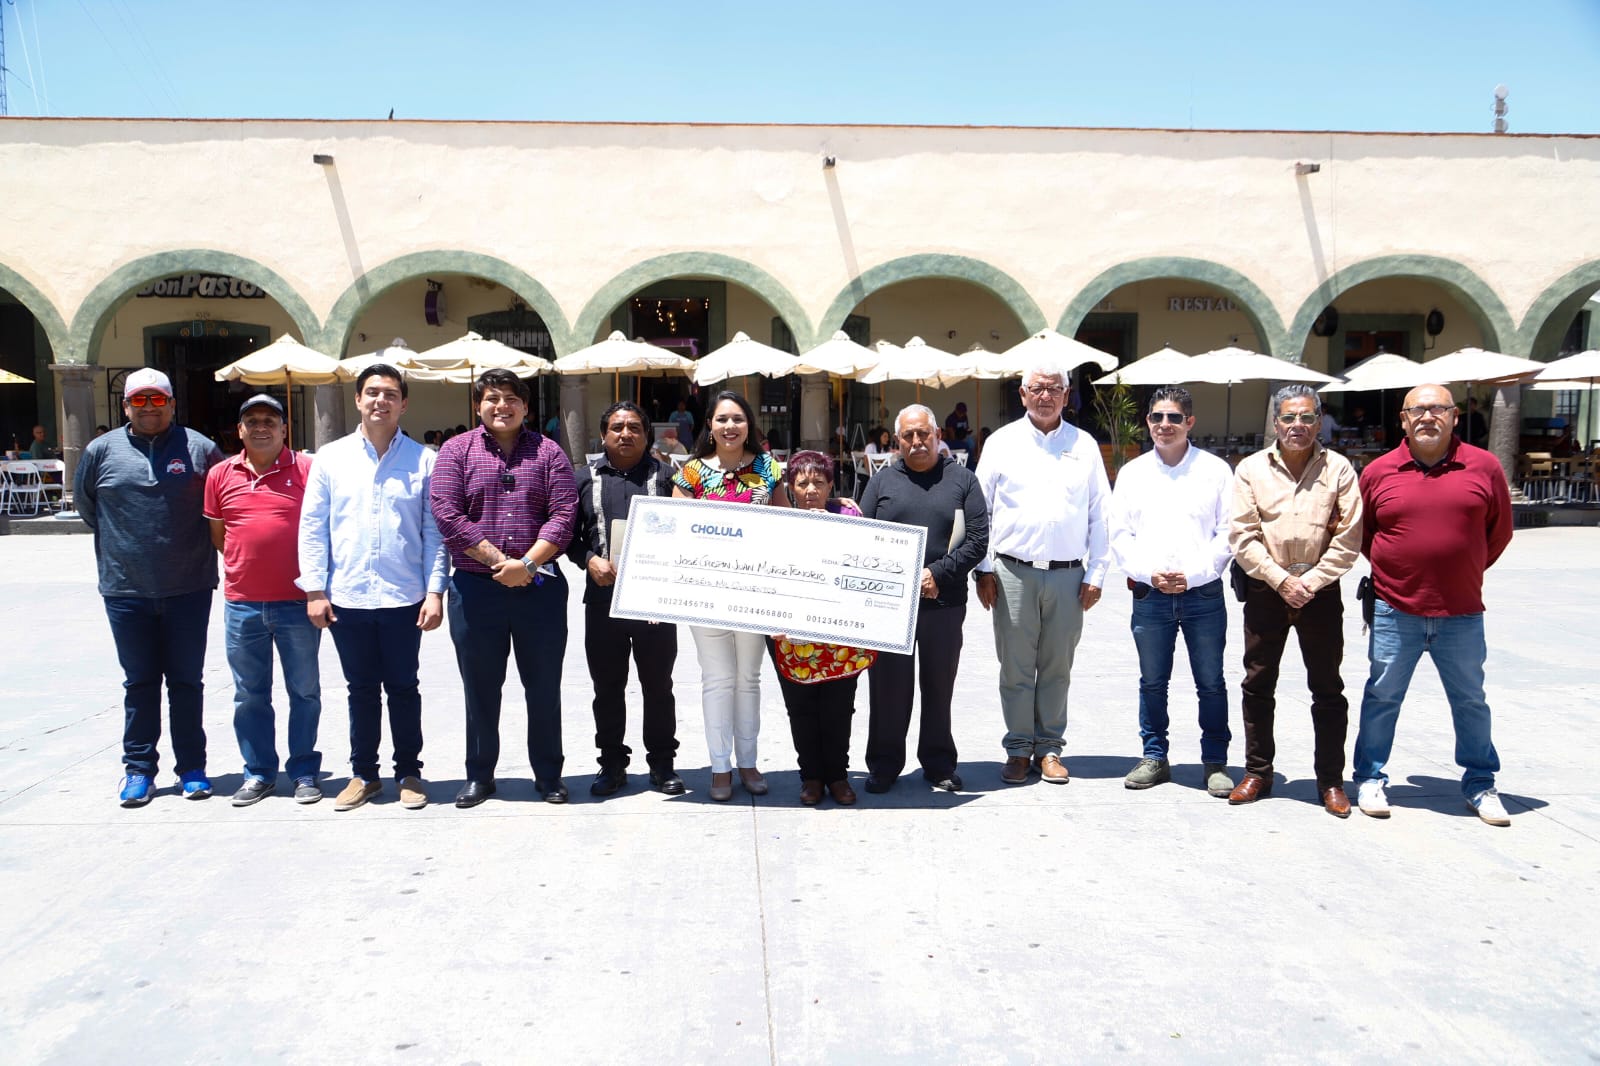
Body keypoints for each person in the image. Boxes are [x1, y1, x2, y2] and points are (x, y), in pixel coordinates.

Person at [1352, 384, 1514, 826]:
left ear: (1454, 416)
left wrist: (1463, 566)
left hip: (1462, 611)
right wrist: (1402, 567)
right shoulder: (1379, 471)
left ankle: (1480, 783)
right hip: (1394, 608)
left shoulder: (1484, 466)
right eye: (1418, 410)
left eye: (1438, 408)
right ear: (1403, 420)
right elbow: (1365, 535)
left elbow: (1499, 533)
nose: (1428, 417)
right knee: (1382, 696)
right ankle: (1369, 778)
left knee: (1471, 701)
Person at [298, 363, 448, 812]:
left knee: (403, 687)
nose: (380, 400)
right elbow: (313, 528)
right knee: (360, 689)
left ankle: (409, 773)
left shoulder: (424, 460)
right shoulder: (330, 459)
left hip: (404, 597)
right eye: (372, 392)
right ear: (358, 400)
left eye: (390, 394)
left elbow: (434, 533)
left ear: (404, 404)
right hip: (348, 596)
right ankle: (364, 774)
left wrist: (435, 591)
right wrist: (314, 590)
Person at [74, 368, 224, 807]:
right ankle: (139, 770)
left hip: (188, 587)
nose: (149, 408)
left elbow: (221, 505)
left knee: (186, 683)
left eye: (157, 399)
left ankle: (192, 768)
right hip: (125, 590)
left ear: (172, 404)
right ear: (126, 406)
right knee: (139, 683)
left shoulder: (200, 449)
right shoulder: (101, 451)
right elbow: (88, 507)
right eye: (139, 400)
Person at [432, 369, 578, 808]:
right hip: (476, 590)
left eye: (512, 398)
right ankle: (480, 775)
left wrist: (527, 564)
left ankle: (549, 774)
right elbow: (447, 514)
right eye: (493, 398)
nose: (502, 406)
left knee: (544, 686)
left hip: (541, 588)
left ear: (526, 407)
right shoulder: (455, 451)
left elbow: (564, 514)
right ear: (478, 406)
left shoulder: (549, 452)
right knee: (479, 688)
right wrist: (501, 564)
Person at [1229, 384, 1363, 817]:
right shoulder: (1251, 469)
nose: (1297, 425)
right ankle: (1257, 772)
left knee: (1328, 689)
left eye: (1306, 417)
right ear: (1276, 423)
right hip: (1267, 590)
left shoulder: (1339, 469)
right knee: (1257, 684)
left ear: (1319, 421)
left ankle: (1331, 782)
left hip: (1320, 593)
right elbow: (1242, 535)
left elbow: (1349, 538)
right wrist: (1281, 580)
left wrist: (1312, 581)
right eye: (1289, 417)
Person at [974, 359, 1109, 786]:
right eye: (1037, 388)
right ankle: (1018, 749)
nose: (1045, 396)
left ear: (1066, 395)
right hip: (1012, 573)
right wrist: (983, 569)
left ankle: (1049, 748)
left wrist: (1097, 573)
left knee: (1057, 667)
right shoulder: (1001, 443)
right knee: (1015, 667)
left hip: (1069, 576)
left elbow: (1101, 514)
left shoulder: (1084, 445)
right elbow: (981, 510)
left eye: (1054, 388)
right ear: (1023, 394)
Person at [1108, 387, 1235, 796]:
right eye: (1157, 417)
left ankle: (1215, 761)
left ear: (1189, 422)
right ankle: (1154, 756)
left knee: (1210, 681)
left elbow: (1228, 532)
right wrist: (1148, 573)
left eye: (1174, 417)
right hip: (1151, 594)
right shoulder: (1133, 474)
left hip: (1203, 594)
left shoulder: (1215, 471)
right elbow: (1119, 534)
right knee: (1152, 682)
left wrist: (1194, 575)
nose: (1165, 425)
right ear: (1148, 422)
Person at [858, 405, 988, 793]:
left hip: (944, 603)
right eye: (908, 435)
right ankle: (884, 764)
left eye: (923, 434)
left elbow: (978, 539)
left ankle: (938, 763)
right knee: (888, 690)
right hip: (889, 605)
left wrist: (937, 574)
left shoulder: (963, 479)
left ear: (937, 435)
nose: (917, 441)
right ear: (897, 441)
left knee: (938, 687)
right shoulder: (881, 481)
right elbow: (861, 537)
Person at [204, 394, 323, 806]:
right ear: (239, 430)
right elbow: (219, 536)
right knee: (249, 695)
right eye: (251, 421)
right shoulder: (220, 474)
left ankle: (304, 770)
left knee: (304, 692)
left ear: (284, 428)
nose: (261, 427)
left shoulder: (307, 470)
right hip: (243, 603)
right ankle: (258, 773)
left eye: (270, 420)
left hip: (298, 602)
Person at [671, 389, 789, 801]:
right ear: (709, 425)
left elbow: (787, 524)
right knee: (717, 679)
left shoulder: (768, 468)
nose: (730, 426)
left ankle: (749, 762)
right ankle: (720, 767)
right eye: (722, 419)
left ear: (748, 425)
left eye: (737, 418)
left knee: (748, 679)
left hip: (756, 591)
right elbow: (674, 532)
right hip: (707, 594)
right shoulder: (690, 474)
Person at [571, 401, 684, 798]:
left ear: (647, 435)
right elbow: (567, 535)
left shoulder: (669, 478)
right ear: (603, 435)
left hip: (654, 602)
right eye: (617, 427)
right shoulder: (583, 479)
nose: (625, 434)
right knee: (607, 687)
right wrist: (589, 559)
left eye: (634, 427)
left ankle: (662, 764)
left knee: (658, 686)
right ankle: (612, 764)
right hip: (603, 599)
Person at [768, 450, 880, 805]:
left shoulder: (850, 517)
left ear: (832, 485)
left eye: (819, 482)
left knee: (839, 706)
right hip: (790, 633)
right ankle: (811, 777)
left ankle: (838, 776)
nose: (811, 490)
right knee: (800, 706)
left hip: (839, 633)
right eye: (802, 483)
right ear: (791, 487)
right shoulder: (776, 522)